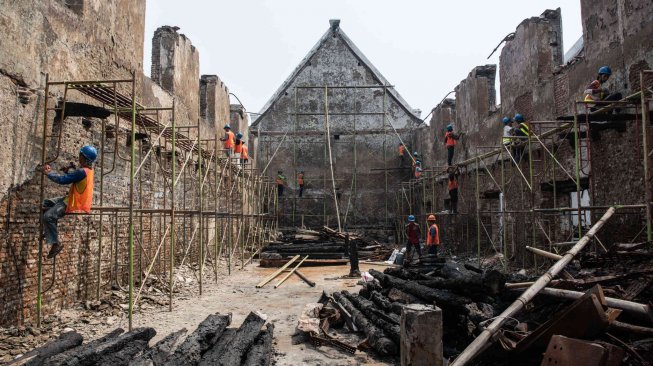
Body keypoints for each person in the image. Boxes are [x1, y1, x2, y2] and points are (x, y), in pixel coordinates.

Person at [41, 145, 97, 259]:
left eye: (80, 156)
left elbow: (62, 180)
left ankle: (56, 244)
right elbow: (77, 177)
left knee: (48, 216)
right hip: (72, 198)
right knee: (46, 203)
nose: (79, 158)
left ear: (84, 158)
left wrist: (48, 173)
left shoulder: (82, 171)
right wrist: (69, 171)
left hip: (73, 201)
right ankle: (49, 232)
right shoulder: (89, 170)